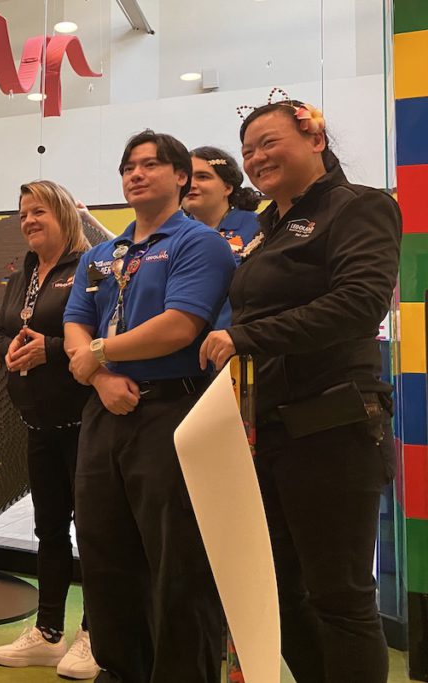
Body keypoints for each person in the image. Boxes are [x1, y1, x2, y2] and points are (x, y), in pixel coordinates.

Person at [199, 100, 401, 683]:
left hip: (334, 425)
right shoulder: (268, 227)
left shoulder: (359, 206)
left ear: (314, 137)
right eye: (248, 149)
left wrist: (244, 337)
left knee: (339, 596)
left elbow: (359, 303)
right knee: (281, 592)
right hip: (272, 429)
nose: (257, 158)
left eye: (269, 142)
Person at [63, 131, 236, 682]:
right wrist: (101, 380)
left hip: (171, 412)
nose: (136, 174)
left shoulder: (198, 243)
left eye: (151, 165)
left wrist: (97, 356)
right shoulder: (100, 254)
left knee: (176, 562)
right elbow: (75, 321)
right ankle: (119, 670)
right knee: (103, 550)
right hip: (105, 413)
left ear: (182, 177)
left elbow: (179, 326)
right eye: (129, 166)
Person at [0, 180, 100, 680]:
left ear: (64, 215)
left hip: (87, 424)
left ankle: (94, 636)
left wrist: (50, 349)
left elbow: (106, 335)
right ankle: (48, 632)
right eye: (23, 214)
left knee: (95, 534)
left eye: (39, 212)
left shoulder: (93, 268)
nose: (29, 221)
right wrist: (7, 350)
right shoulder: (24, 275)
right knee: (49, 531)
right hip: (38, 423)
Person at [182, 146, 261, 328]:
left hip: (240, 341)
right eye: (186, 178)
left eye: (202, 177)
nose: (191, 185)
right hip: (181, 345)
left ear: (227, 187)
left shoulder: (259, 228)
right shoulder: (169, 235)